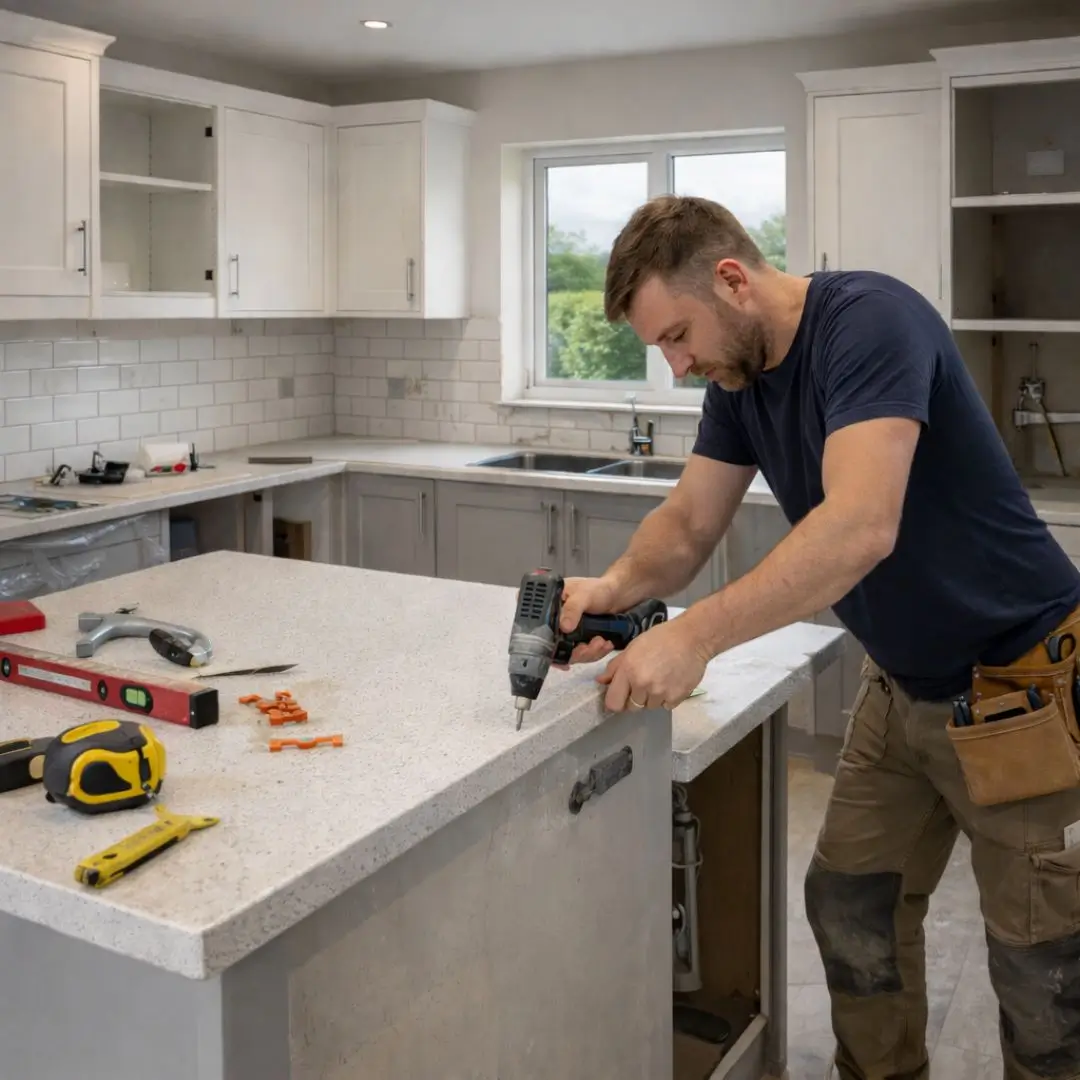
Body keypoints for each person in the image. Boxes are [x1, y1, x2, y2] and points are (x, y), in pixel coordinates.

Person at [558, 193, 1080, 1079]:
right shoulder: (739, 379)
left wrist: (695, 638)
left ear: (732, 280)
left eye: (677, 336)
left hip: (1021, 683)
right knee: (850, 904)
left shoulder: (869, 325)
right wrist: (612, 588)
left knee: (1044, 973)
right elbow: (689, 524)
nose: (678, 365)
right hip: (903, 684)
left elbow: (860, 527)